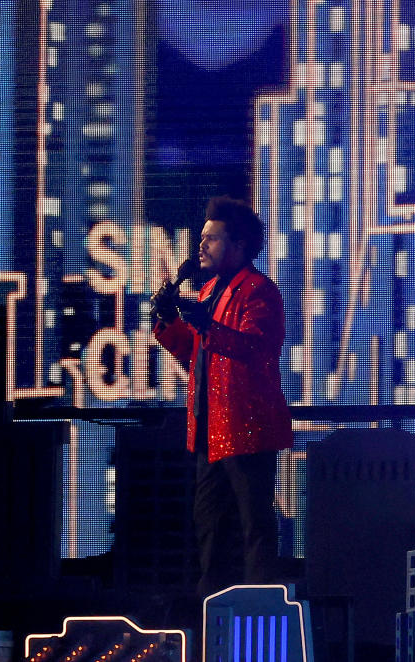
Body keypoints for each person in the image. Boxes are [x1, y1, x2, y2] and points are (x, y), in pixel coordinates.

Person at [152, 195, 293, 597]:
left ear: (239, 245)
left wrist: (204, 326)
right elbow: (196, 356)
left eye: (211, 239)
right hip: (210, 431)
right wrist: (171, 322)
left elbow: (256, 348)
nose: (202, 247)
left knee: (254, 527)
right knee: (209, 528)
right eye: (202, 238)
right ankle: (210, 606)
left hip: (245, 429)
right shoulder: (209, 290)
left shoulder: (258, 291)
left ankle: (260, 607)